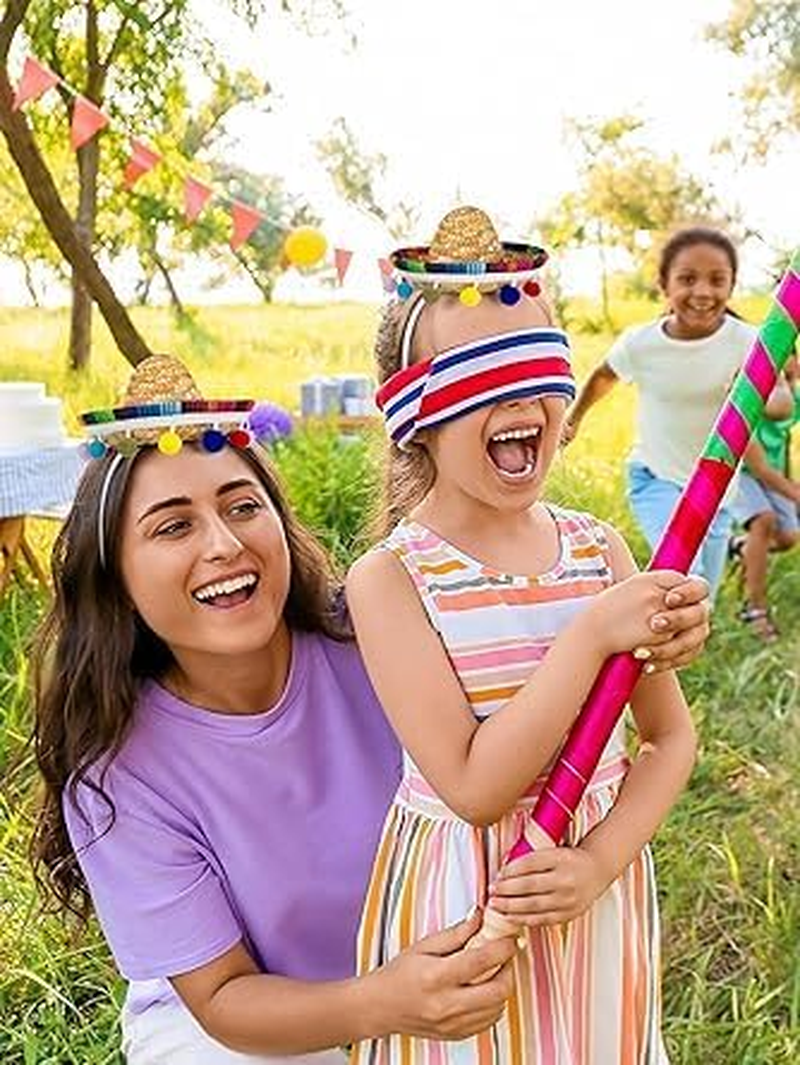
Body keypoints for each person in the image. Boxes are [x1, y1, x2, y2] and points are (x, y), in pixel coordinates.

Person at [31, 354, 526, 1065]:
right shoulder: (118, 771)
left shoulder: (377, 638)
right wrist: (389, 1001)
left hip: (437, 971)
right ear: (115, 577)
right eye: (174, 527)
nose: (224, 544)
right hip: (260, 1030)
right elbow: (224, 997)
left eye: (242, 506)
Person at [345, 207, 708, 1063]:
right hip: (469, 905)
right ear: (415, 415)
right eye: (478, 380)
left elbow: (668, 737)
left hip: (590, 898)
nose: (517, 400)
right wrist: (590, 639)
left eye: (534, 370)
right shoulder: (392, 579)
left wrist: (598, 863)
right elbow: (472, 784)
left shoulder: (598, 549)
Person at [563, 226, 756, 601]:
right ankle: (642, 648)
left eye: (717, 280)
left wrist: (751, 394)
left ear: (732, 287)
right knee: (686, 576)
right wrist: (574, 418)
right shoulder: (642, 343)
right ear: (663, 285)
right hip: (656, 478)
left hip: (719, 488)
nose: (702, 291)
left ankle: (683, 655)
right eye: (687, 279)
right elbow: (604, 377)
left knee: (704, 597)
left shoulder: (746, 341)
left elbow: (780, 400)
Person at [730, 356, 800, 640]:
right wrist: (794, 493)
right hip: (740, 471)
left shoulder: (791, 394)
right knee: (764, 521)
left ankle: (741, 548)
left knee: (789, 537)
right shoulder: (745, 403)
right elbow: (758, 467)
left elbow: (783, 442)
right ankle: (753, 608)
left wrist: (791, 482)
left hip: (773, 473)